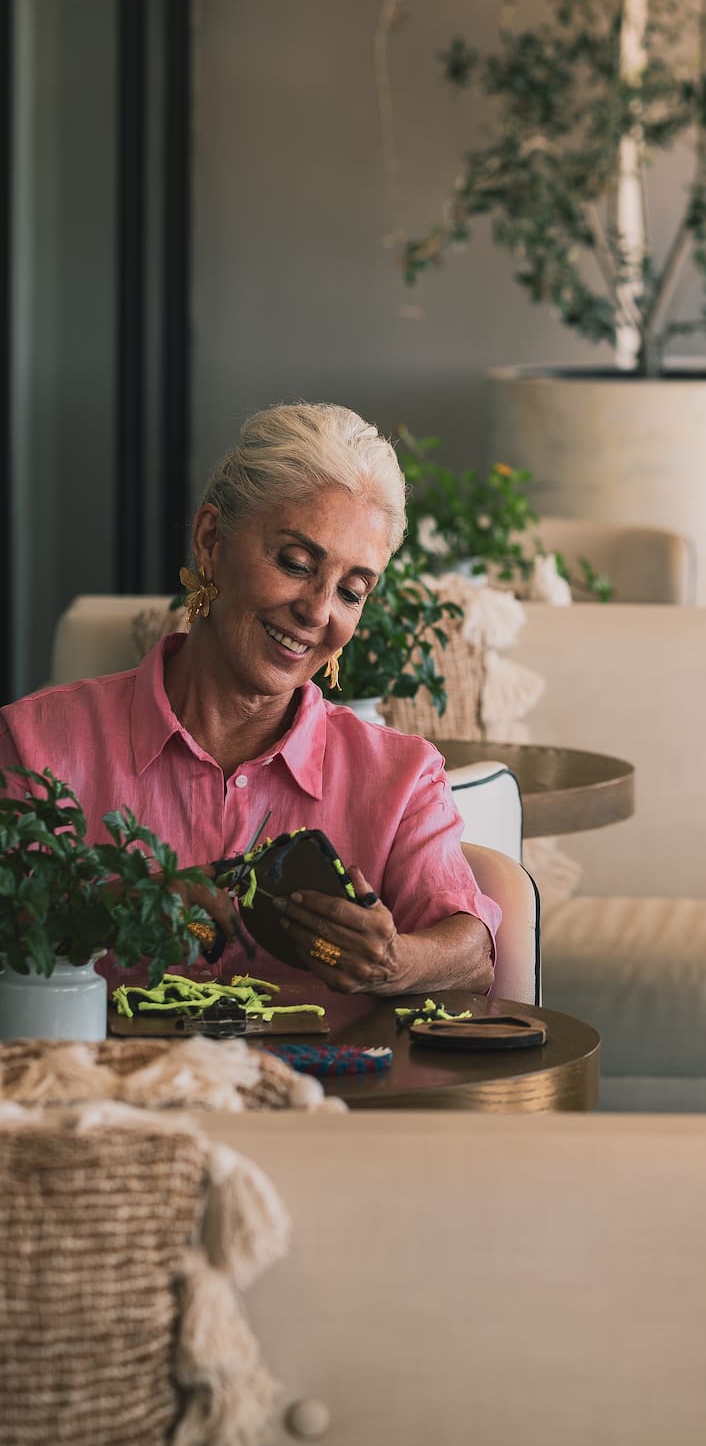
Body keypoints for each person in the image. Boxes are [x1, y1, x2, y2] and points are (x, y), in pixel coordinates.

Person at [1, 402, 504, 1016]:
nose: (318, 611)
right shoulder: (36, 744)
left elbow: (473, 951)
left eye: (351, 591)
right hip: (99, 1101)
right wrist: (129, 905)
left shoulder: (400, 775)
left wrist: (393, 963)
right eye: (295, 564)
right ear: (211, 541)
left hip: (331, 1102)